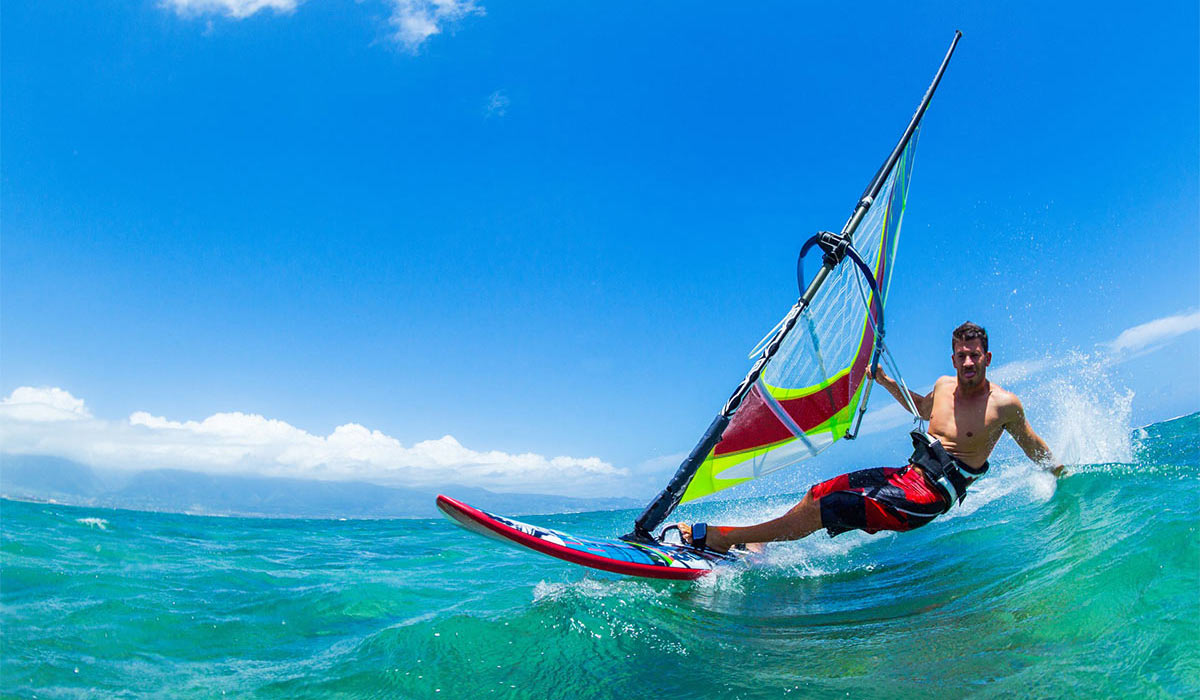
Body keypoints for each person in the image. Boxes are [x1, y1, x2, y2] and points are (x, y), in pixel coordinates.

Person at [678, 321, 1065, 553]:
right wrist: (883, 381)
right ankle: (758, 542)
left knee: (825, 511)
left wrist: (1062, 473)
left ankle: (723, 538)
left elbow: (1033, 445)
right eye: (961, 355)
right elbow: (921, 410)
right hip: (906, 476)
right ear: (952, 359)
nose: (968, 362)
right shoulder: (944, 386)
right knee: (816, 493)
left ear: (987, 358)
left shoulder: (1003, 405)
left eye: (975, 355)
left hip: (927, 498)